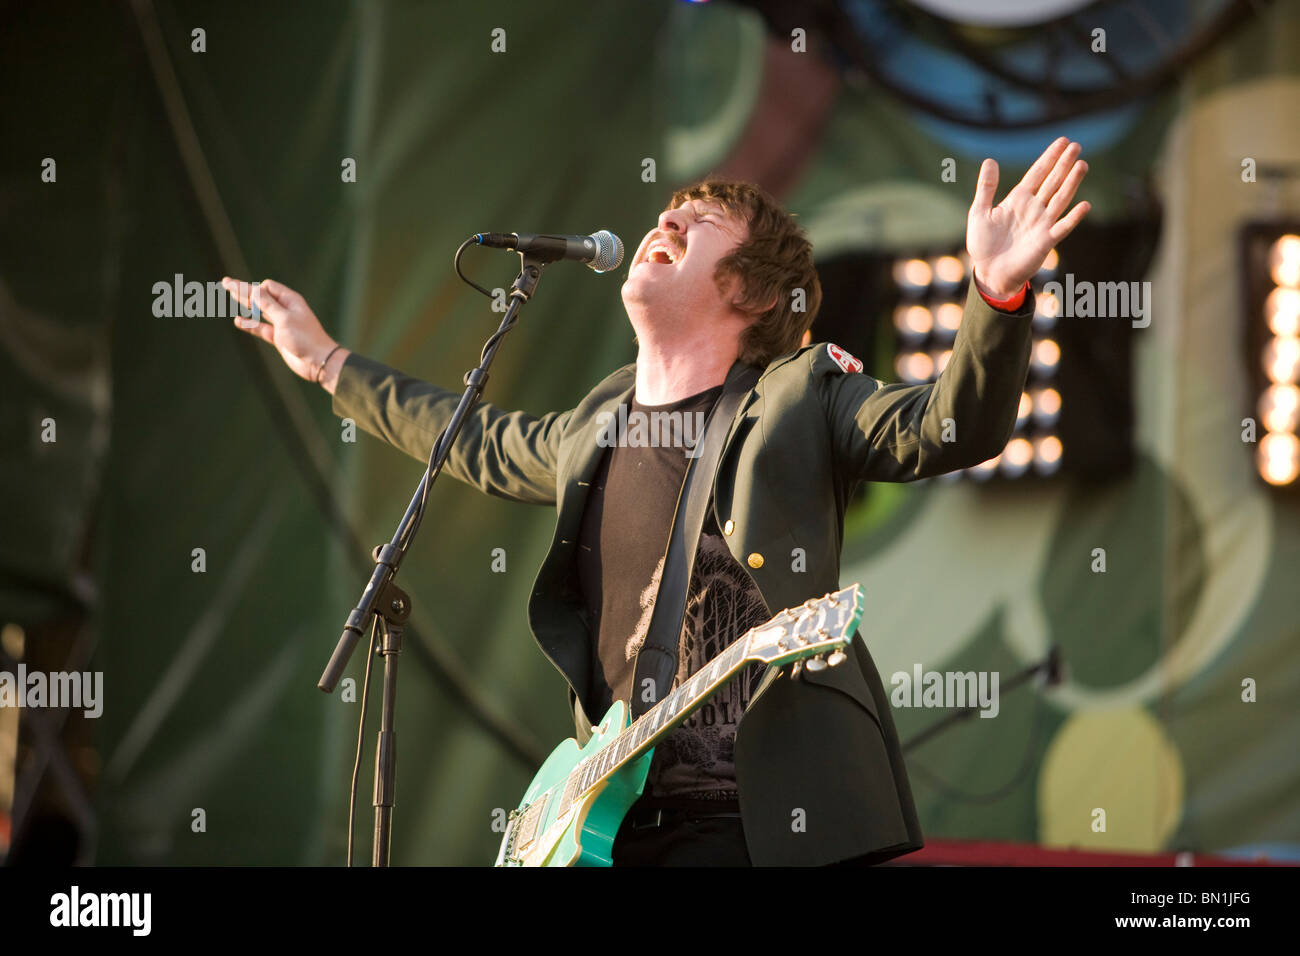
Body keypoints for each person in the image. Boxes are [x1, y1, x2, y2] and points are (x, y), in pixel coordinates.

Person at [223, 137, 1090, 866]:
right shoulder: (596, 423)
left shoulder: (801, 396)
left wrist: (996, 294)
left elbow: (949, 427)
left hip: (755, 829)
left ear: (750, 293)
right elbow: (471, 439)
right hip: (616, 825)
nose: (666, 220)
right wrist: (329, 364)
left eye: (702, 222)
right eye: (667, 212)